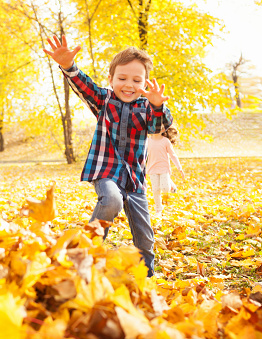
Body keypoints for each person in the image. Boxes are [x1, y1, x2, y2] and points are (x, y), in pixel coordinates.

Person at [43, 35, 173, 277]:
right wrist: (68, 66)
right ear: (111, 79)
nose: (128, 84)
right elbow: (84, 86)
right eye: (122, 78)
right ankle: (83, 256)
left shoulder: (146, 108)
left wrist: (157, 106)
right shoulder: (104, 100)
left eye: (136, 80)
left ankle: (147, 276)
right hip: (106, 173)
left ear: (144, 83)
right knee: (111, 200)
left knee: (144, 235)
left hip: (134, 181)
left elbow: (158, 127)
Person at [147, 126, 185, 218]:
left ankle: (170, 184)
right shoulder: (147, 141)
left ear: (163, 129)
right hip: (152, 168)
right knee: (155, 190)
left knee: (165, 189)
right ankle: (158, 210)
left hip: (164, 168)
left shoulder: (165, 141)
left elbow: (173, 155)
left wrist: (179, 168)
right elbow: (143, 155)